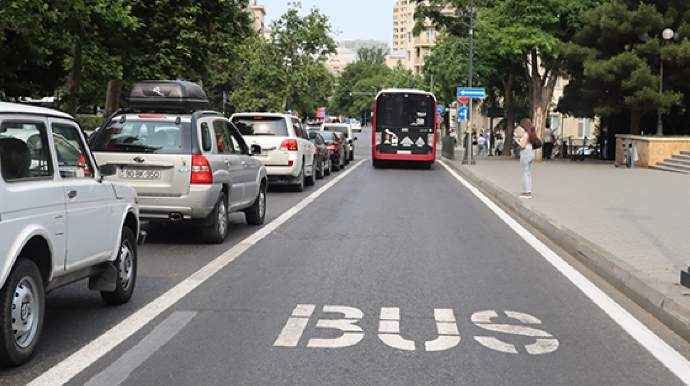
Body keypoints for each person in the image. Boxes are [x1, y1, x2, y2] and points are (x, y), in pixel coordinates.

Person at [514, 118, 537, 198]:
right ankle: (528, 191)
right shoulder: (531, 133)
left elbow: (522, 145)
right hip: (530, 153)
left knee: (524, 173)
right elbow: (527, 143)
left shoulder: (526, 134)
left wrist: (517, 141)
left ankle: (526, 192)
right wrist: (521, 140)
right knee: (528, 173)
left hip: (525, 153)